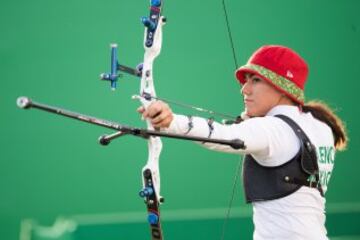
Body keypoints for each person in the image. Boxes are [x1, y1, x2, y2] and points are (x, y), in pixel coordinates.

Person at [137, 45, 348, 240]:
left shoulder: (273, 129)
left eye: (256, 80)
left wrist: (170, 121)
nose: (244, 89)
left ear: (283, 87)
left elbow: (222, 135)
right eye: (246, 80)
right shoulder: (320, 125)